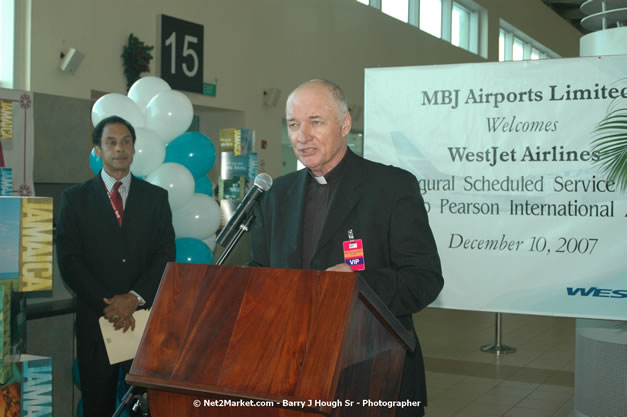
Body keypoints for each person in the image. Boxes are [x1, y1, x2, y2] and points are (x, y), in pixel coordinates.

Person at [249, 80, 443, 417]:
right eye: (293, 125)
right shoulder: (276, 195)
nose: (302, 136)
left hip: (377, 370)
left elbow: (424, 279)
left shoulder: (392, 188)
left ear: (345, 124)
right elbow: (260, 274)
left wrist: (358, 285)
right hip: (294, 371)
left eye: (315, 122)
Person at [56, 115, 175, 417]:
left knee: (148, 407)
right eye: (111, 142)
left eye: (126, 142)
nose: (119, 149)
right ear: (97, 149)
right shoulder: (75, 200)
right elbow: (70, 260)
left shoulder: (156, 199)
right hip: (97, 322)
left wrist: (133, 298)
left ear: (134, 149)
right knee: (97, 405)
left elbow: (165, 254)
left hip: (144, 322)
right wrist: (109, 304)